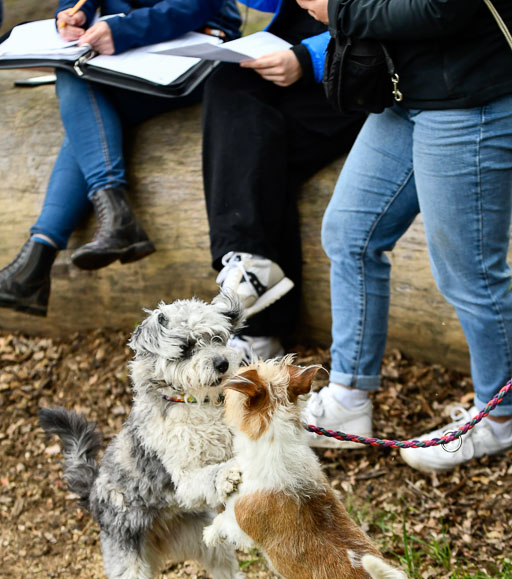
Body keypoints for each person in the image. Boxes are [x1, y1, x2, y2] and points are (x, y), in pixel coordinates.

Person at [299, 0, 512, 472]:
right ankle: (348, 402)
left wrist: (339, 10)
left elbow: (442, 9)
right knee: (350, 233)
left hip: (469, 97)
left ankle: (501, 418)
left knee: (471, 272)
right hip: (403, 91)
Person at [0, 0, 241, 317]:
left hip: (195, 46)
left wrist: (123, 30)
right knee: (78, 81)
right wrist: (73, 13)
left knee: (83, 103)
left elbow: (195, 5)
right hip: (123, 54)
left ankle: (38, 259)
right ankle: (106, 222)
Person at [202, 0, 365, 361]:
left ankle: (261, 334)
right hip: (286, 50)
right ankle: (249, 265)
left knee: (261, 158)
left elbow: (387, 14)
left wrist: (309, 58)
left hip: (359, 65)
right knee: (228, 83)